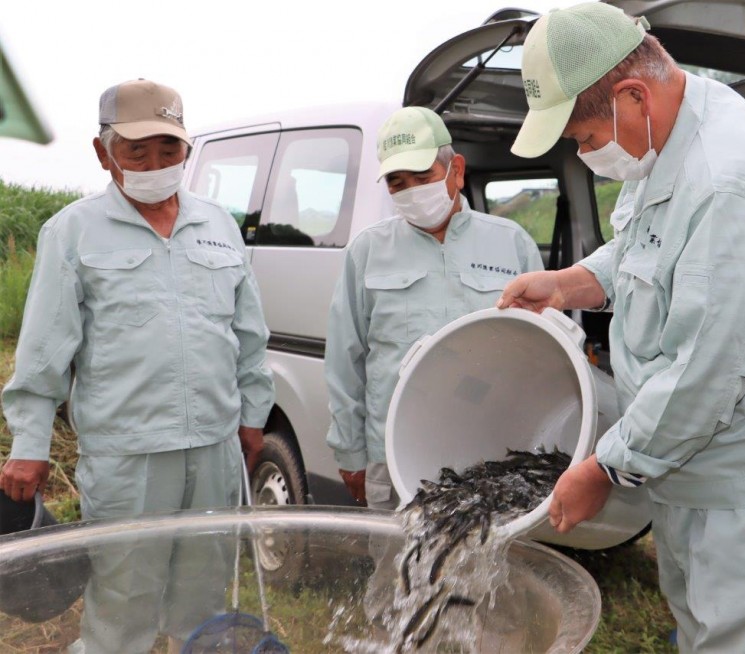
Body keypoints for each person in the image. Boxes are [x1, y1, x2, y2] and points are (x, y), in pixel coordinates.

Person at [499, 4, 745, 651]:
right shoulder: (661, 140)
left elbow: (709, 368)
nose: (583, 153)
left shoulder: (730, 181)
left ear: (633, 95)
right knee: (705, 630)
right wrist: (567, 283)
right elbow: (642, 250)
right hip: (690, 468)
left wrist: (604, 468)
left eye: (581, 138)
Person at [0, 79, 275, 653]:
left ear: (187, 150)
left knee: (203, 601)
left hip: (214, 446)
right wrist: (30, 445)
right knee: (123, 606)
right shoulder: (72, 231)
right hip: (128, 455)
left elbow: (249, 336)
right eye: (136, 150)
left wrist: (253, 417)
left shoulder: (219, 227)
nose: (155, 162)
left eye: (168, 149)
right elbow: (44, 349)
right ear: (104, 153)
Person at [325, 106, 543, 510]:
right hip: (394, 454)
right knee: (397, 568)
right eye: (396, 182)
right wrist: (351, 454)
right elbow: (344, 360)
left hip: (493, 451)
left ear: (455, 170)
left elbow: (546, 352)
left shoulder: (512, 244)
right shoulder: (367, 251)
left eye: (422, 177)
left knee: (484, 568)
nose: (410, 191)